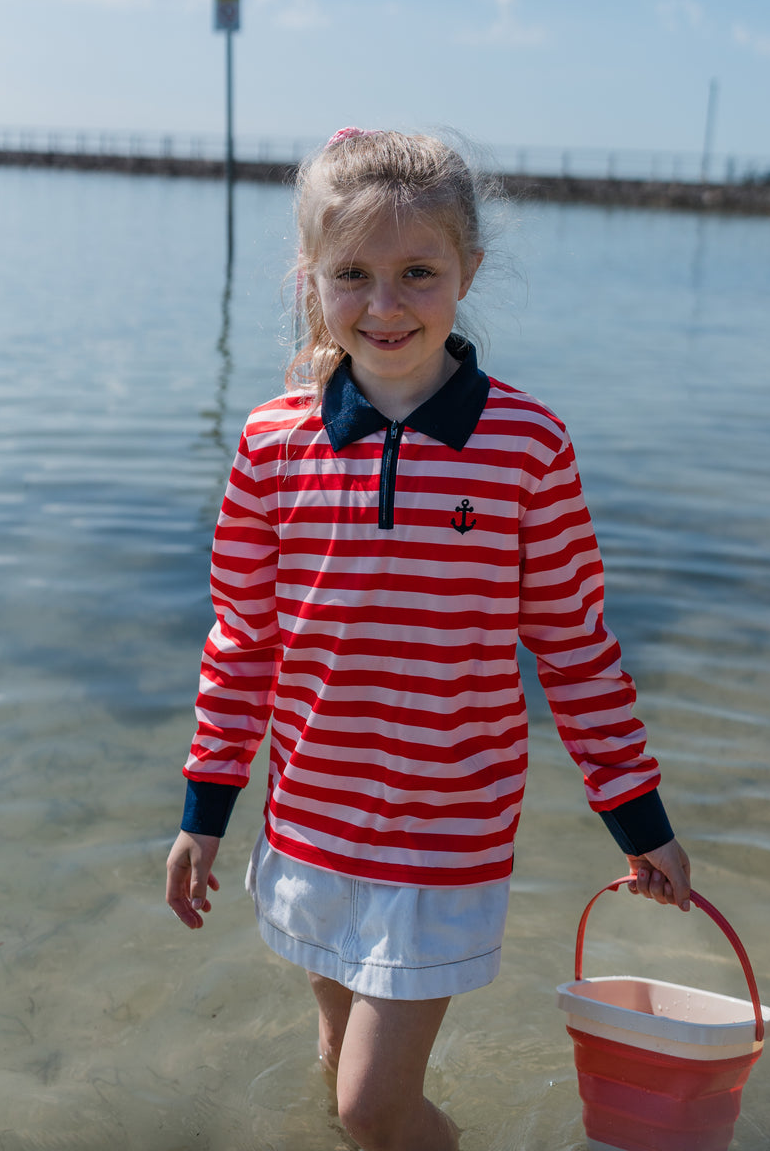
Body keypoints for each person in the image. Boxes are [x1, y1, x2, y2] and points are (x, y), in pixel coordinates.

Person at [166, 127, 690, 1151]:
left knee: (371, 1107)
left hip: (444, 834)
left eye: (417, 272)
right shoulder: (274, 443)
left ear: (469, 272)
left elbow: (575, 649)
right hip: (311, 818)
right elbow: (242, 642)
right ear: (312, 279)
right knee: (335, 1074)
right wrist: (205, 811)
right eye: (351, 274)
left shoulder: (525, 445)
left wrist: (637, 819)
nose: (384, 305)